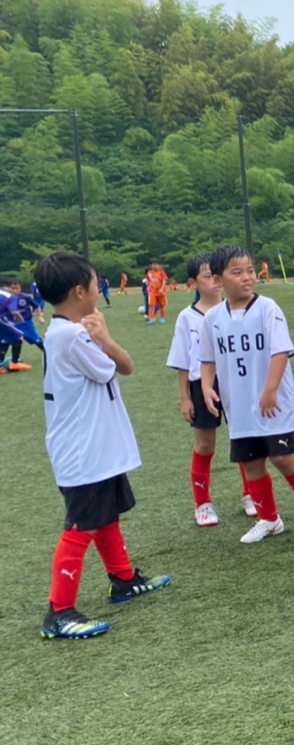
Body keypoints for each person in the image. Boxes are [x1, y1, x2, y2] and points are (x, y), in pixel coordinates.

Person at [36, 252, 171, 639]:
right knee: (81, 525)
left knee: (105, 515)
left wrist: (102, 339)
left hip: (95, 446)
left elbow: (119, 368)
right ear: (79, 292)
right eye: (96, 284)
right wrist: (105, 338)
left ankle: (123, 579)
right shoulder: (71, 335)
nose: (99, 290)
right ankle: (59, 611)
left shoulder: (65, 332)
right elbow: (118, 366)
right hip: (83, 450)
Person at [199, 245, 294, 543]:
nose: (247, 277)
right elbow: (207, 358)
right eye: (237, 272)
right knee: (251, 462)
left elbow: (280, 351)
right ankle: (269, 519)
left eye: (249, 270)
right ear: (218, 280)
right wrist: (206, 386)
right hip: (238, 405)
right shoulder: (213, 318)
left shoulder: (267, 308)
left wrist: (270, 389)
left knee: (282, 456)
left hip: (272, 403)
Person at [166, 253, 257, 526]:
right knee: (205, 445)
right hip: (201, 385)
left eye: (217, 275)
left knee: (244, 438)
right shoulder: (186, 318)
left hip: (236, 381)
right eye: (207, 276)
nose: (214, 282)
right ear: (193, 282)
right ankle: (203, 503)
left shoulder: (236, 310)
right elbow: (182, 361)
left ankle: (251, 493)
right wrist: (185, 398)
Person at [0, 275, 44, 370]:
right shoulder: (8, 297)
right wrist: (19, 318)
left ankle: (47, 353)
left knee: (35, 339)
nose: (15, 290)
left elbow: (37, 306)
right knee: (8, 341)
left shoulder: (24, 297)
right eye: (13, 288)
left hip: (25, 323)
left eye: (17, 288)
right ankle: (13, 363)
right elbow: (14, 312)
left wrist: (40, 317)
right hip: (10, 323)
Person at [145, 258, 169, 325]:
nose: (154, 266)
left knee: (162, 305)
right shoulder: (149, 273)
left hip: (161, 292)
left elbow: (164, 281)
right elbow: (148, 280)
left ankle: (162, 318)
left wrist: (162, 288)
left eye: (156, 264)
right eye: (153, 264)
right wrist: (148, 286)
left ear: (159, 265)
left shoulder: (162, 272)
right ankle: (152, 319)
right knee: (151, 305)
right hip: (152, 292)